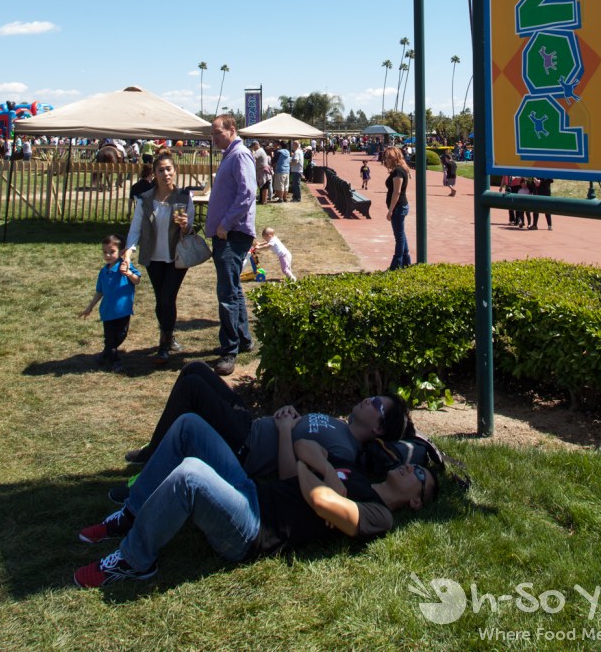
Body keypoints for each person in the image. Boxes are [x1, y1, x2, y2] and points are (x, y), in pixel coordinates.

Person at [73, 411, 437, 588]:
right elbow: (303, 447)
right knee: (189, 425)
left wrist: (320, 487)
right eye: (413, 466)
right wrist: (325, 475)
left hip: (251, 531)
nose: (410, 470)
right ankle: (132, 513)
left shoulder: (379, 517)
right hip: (251, 492)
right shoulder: (354, 475)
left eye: (419, 476)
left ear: (416, 502)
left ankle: (136, 560)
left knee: (190, 475)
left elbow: (324, 504)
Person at [110, 359, 411, 494]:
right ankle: (157, 447)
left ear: (379, 429)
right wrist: (288, 414)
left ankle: (152, 466)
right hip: (250, 424)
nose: (369, 400)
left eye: (377, 405)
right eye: (373, 397)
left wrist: (283, 431)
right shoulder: (340, 425)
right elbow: (300, 427)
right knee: (196, 369)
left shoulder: (343, 450)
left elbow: (288, 478)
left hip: (246, 448)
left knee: (192, 388)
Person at [124, 152, 194, 365]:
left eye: (169, 169)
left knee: (166, 298)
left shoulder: (184, 197)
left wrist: (185, 225)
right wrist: (128, 252)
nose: (165, 174)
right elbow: (136, 228)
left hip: (176, 257)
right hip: (153, 256)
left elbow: (189, 229)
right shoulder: (145, 199)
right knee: (161, 299)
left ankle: (164, 344)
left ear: (175, 171)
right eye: (161, 170)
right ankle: (169, 335)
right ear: (154, 174)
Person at [207, 114, 257, 375]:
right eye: (212, 133)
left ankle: (230, 350)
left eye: (217, 132)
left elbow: (247, 193)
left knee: (227, 293)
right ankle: (243, 339)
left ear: (231, 130)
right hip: (229, 233)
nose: (213, 137)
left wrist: (225, 224)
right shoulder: (231, 154)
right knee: (234, 289)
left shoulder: (239, 155)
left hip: (233, 234)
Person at [78, 235, 142, 371]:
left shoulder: (125, 267)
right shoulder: (103, 272)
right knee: (110, 339)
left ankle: (105, 354)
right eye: (104, 252)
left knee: (121, 335)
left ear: (121, 252)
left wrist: (129, 274)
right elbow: (99, 292)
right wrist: (90, 307)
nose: (107, 255)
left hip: (123, 311)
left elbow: (137, 280)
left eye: (111, 251)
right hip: (107, 312)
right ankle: (115, 362)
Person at [383, 146, 411, 270]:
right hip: (399, 207)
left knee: (399, 238)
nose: (386, 160)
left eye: (389, 157)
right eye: (385, 157)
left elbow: (397, 192)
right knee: (401, 235)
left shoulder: (399, 171)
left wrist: (390, 211)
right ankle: (406, 262)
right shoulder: (399, 170)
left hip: (398, 207)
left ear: (395, 158)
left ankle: (396, 265)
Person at [252, 140, 272, 205]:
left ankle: (264, 201)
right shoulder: (260, 150)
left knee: (264, 186)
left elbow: (252, 157)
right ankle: (262, 200)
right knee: (262, 186)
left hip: (263, 171)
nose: (253, 148)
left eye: (253, 146)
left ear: (256, 145)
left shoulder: (259, 151)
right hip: (262, 171)